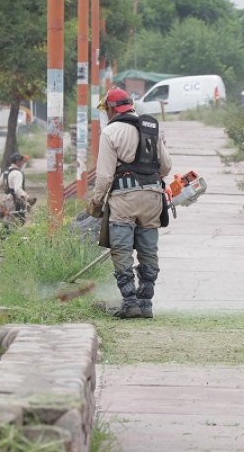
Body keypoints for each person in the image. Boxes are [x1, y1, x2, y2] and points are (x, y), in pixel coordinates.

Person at [88, 87, 172, 319]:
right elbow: (166, 166)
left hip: (124, 198)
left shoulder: (111, 132)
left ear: (111, 109)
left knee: (122, 249)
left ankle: (130, 301)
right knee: (148, 249)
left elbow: (105, 176)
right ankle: (146, 303)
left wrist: (96, 202)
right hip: (153, 197)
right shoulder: (151, 129)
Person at [0, 152, 32, 228]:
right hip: (13, 200)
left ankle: (5, 234)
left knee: (7, 219)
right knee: (14, 222)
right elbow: (17, 189)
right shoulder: (17, 173)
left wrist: (8, 190)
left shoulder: (6, 171)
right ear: (18, 161)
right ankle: (13, 235)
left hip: (6, 199)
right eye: (22, 161)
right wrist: (28, 198)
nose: (23, 163)